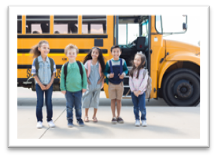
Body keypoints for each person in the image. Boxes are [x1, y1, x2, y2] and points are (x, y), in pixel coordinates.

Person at [30, 40, 56, 129]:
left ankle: (49, 120)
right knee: (39, 103)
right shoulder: (36, 61)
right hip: (39, 85)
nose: (46, 49)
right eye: (44, 47)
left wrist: (49, 84)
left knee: (49, 102)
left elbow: (53, 74)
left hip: (49, 85)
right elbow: (34, 74)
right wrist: (40, 84)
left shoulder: (51, 61)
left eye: (48, 48)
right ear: (39, 49)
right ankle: (39, 121)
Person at [60, 44, 87, 128]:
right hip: (68, 90)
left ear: (76, 54)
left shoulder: (80, 65)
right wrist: (63, 88)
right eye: (69, 53)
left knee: (78, 106)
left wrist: (84, 86)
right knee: (69, 107)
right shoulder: (65, 66)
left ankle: (79, 119)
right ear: (66, 54)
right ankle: (70, 120)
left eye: (73, 53)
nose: (71, 54)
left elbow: (84, 76)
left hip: (78, 90)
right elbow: (62, 78)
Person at [104, 45, 128, 124]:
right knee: (112, 100)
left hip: (120, 83)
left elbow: (126, 70)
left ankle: (118, 116)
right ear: (111, 53)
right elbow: (105, 71)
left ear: (120, 53)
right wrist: (108, 75)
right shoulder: (109, 62)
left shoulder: (123, 61)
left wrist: (124, 74)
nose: (116, 53)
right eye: (114, 51)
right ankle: (113, 116)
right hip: (111, 83)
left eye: (118, 51)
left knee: (119, 100)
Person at [82, 47, 105, 123]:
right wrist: (87, 80)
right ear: (91, 53)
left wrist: (100, 80)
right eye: (93, 52)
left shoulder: (100, 63)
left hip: (97, 85)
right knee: (87, 100)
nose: (94, 54)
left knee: (96, 100)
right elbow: (84, 72)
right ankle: (86, 115)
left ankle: (94, 116)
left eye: (96, 53)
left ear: (99, 54)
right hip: (89, 85)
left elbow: (102, 73)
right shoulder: (88, 63)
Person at [129, 53, 148, 127]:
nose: (136, 61)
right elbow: (130, 82)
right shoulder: (132, 71)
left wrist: (139, 91)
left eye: (138, 60)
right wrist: (134, 91)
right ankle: (137, 119)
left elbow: (144, 82)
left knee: (142, 107)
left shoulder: (144, 72)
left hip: (141, 93)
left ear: (143, 62)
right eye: (135, 59)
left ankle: (143, 119)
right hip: (134, 93)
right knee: (135, 107)